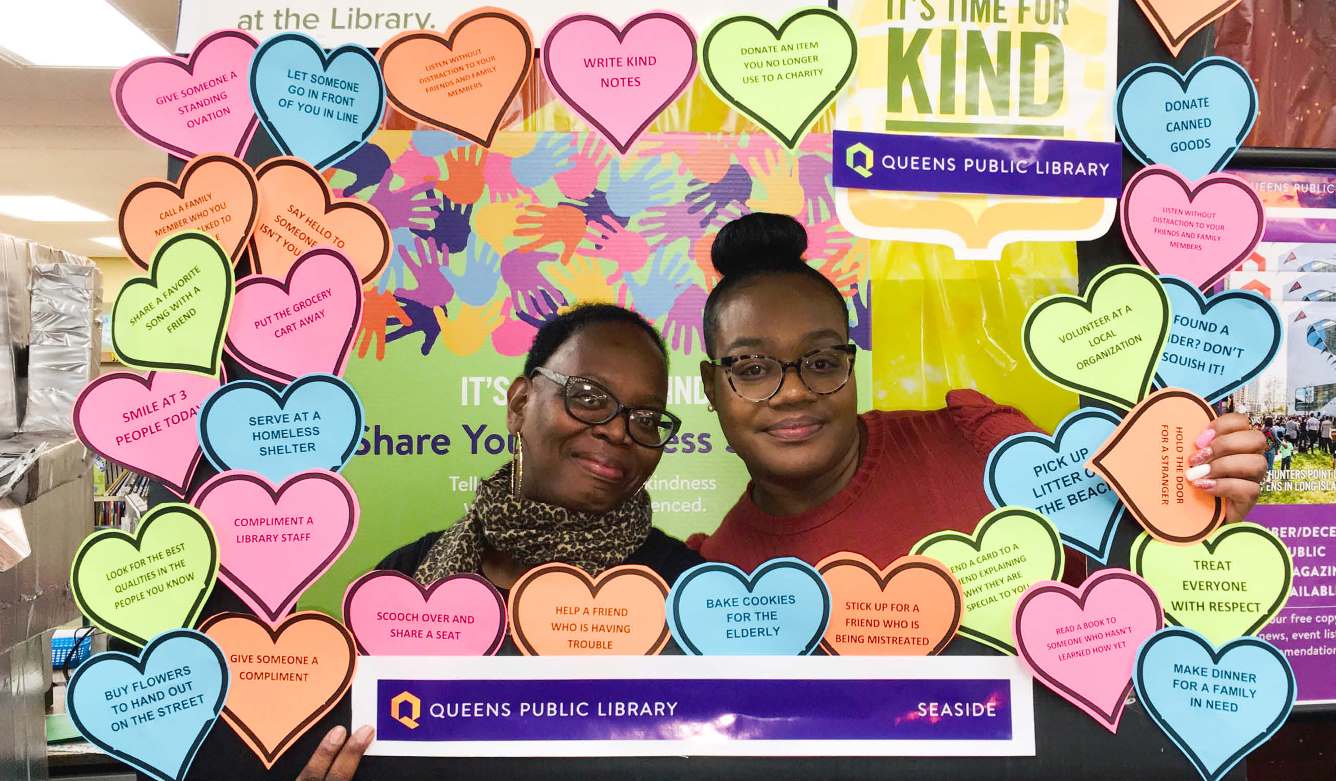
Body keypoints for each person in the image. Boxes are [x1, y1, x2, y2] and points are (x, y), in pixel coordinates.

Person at [168, 304, 703, 781]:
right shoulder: (406, 582)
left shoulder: (687, 597)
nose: (617, 430)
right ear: (519, 404)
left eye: (646, 418)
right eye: (588, 397)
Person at [691, 213, 1267, 570]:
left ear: (849, 362)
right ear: (713, 386)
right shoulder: (715, 579)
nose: (793, 392)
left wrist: (1205, 514)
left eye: (819, 360)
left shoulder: (980, 447)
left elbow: (1128, 588)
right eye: (754, 367)